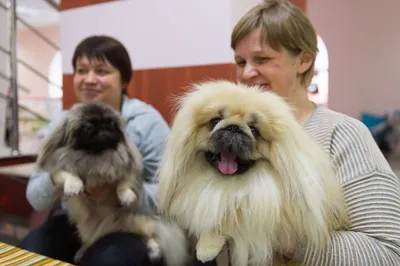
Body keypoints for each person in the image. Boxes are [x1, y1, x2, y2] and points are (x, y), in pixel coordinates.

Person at [217, 0, 400, 265]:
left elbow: (389, 253)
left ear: (303, 60)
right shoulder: (231, 136)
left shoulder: (343, 135)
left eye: (262, 59)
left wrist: (277, 234)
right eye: (240, 61)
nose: (246, 73)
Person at [18, 35, 171, 265]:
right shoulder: (64, 122)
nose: (89, 79)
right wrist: (58, 181)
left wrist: (118, 196)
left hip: (130, 223)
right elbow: (36, 197)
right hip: (75, 219)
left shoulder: (146, 123)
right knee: (28, 255)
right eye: (81, 70)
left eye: (101, 71)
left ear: (124, 80)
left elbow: (169, 196)